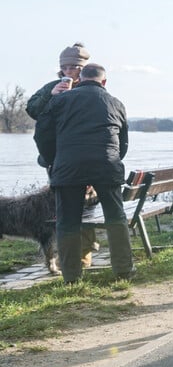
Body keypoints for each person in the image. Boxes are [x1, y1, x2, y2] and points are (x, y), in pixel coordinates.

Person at [33, 63, 136, 283]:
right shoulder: (116, 103)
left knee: (67, 221)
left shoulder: (60, 100)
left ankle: (71, 277)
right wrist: (112, 159)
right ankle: (123, 270)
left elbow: (41, 133)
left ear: (80, 78)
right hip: (106, 166)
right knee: (116, 217)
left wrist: (53, 159)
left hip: (68, 167)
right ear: (104, 82)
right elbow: (123, 142)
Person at [27, 42, 99, 267]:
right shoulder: (52, 86)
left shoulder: (93, 88)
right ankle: (64, 256)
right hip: (58, 159)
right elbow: (32, 110)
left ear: (83, 68)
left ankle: (84, 256)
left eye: (74, 67)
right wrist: (50, 95)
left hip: (86, 156)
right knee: (61, 208)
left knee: (88, 207)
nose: (69, 72)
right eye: (65, 67)